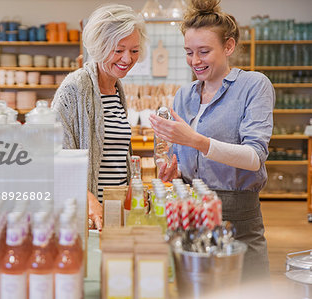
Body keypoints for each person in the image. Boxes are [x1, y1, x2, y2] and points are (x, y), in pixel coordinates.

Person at [149, 0, 273, 280]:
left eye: (204, 51)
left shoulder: (254, 86)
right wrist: (174, 170)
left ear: (228, 47)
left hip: (238, 216)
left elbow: (254, 158)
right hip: (190, 212)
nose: (195, 61)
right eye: (189, 52)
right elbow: (183, 158)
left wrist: (197, 141)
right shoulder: (184, 95)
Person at [52, 4, 148, 230]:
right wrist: (86, 198)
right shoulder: (75, 88)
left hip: (115, 211)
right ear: (100, 46)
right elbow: (54, 155)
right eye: (118, 50)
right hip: (87, 216)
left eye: (134, 51)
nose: (127, 58)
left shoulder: (117, 90)